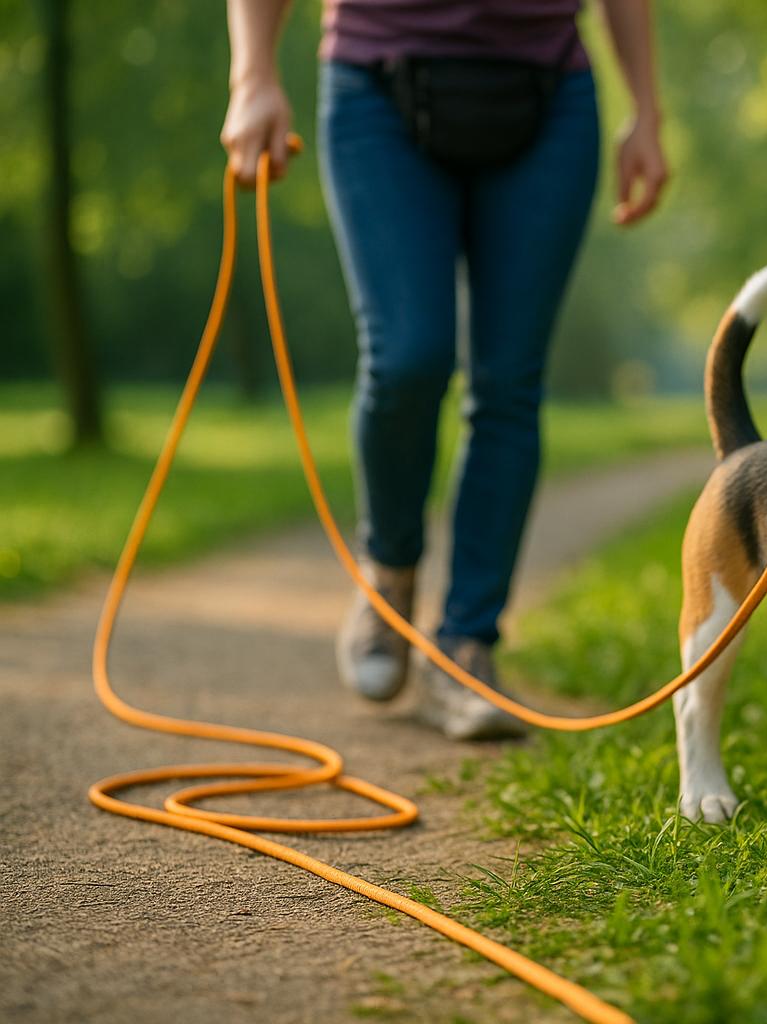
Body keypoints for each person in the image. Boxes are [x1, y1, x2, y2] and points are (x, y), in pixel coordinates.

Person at [221, 0, 668, 739]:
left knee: (509, 384)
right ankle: (389, 573)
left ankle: (465, 647)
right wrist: (253, 76)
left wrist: (646, 111)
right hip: (377, 83)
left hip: (548, 93)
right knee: (406, 357)